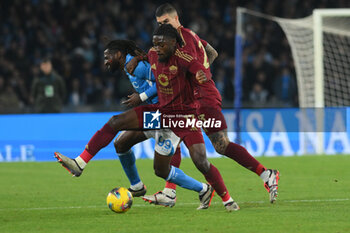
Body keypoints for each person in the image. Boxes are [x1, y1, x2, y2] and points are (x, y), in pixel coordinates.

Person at [54, 24, 239, 211]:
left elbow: (196, 68)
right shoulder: (151, 56)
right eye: (155, 44)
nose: (156, 49)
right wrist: (138, 57)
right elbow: (149, 55)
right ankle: (84, 164)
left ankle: (223, 198)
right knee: (119, 132)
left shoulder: (181, 60)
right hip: (159, 113)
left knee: (198, 161)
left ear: (173, 43)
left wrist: (200, 74)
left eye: (160, 45)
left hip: (180, 117)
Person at [128, 3, 279, 205]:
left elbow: (189, 61)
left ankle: (265, 173)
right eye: (159, 24)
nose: (163, 26)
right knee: (174, 133)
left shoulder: (184, 38)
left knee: (221, 145)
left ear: (175, 19)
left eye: (166, 22)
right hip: (193, 97)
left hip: (202, 98)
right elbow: (212, 53)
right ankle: (170, 191)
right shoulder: (188, 36)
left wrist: (199, 76)